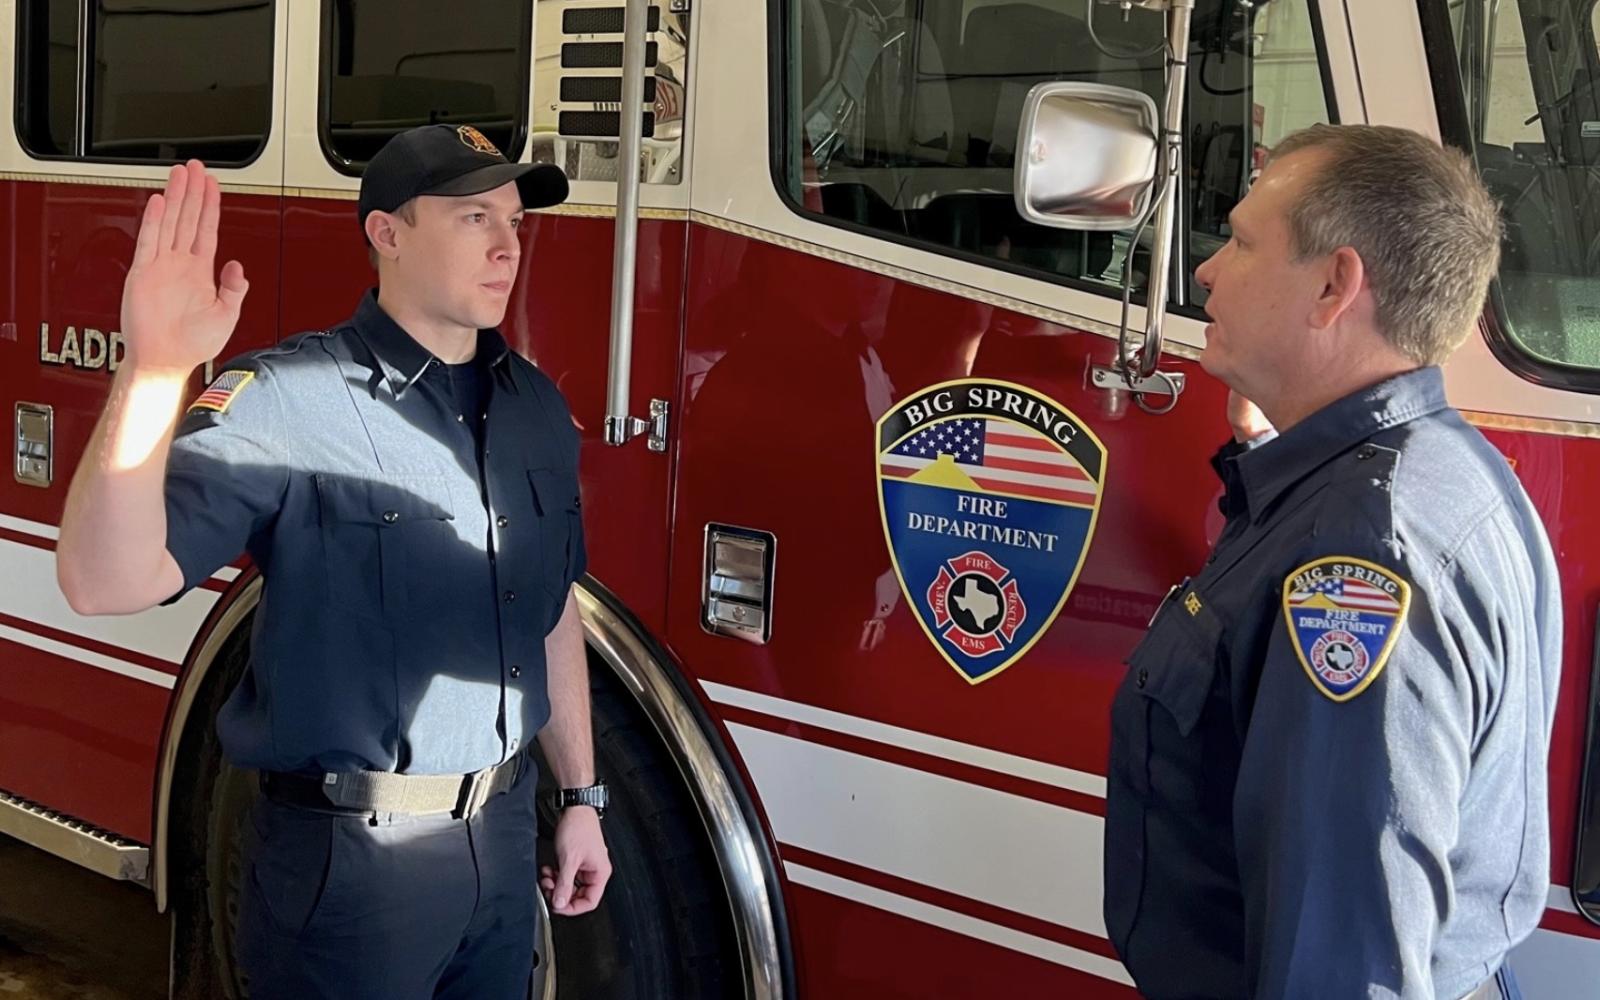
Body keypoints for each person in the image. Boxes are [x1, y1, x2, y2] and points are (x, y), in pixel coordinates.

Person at [56, 123, 612, 998]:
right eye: (474, 218)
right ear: (387, 233)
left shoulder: (535, 408)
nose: (508, 247)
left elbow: (549, 609)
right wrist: (154, 370)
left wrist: (580, 798)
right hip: (348, 874)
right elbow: (102, 581)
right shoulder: (288, 399)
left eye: (514, 221)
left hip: (505, 849)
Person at [1102, 124, 1560, 1000]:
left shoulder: (1357, 556)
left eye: (1241, 242)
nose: (1207, 270)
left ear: (1332, 285)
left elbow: (1341, 967)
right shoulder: (1450, 472)